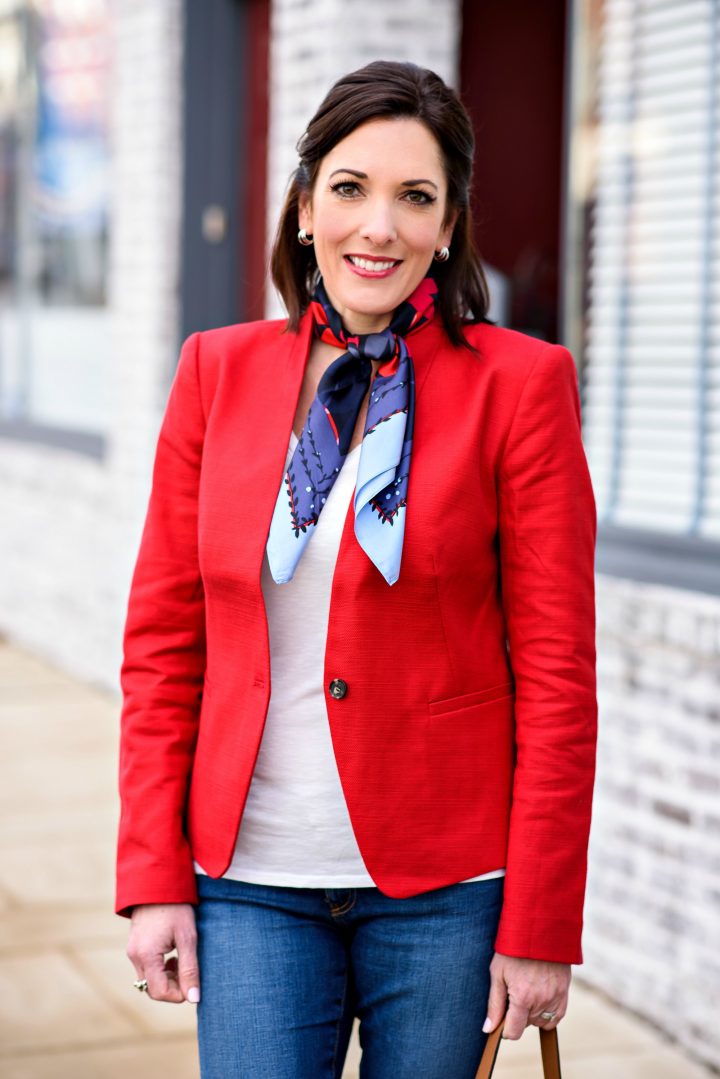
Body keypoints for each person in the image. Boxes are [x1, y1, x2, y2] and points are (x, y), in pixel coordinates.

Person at [117, 59, 598, 1079]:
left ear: (450, 224)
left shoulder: (523, 387)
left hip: (449, 888)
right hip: (249, 873)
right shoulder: (215, 372)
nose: (378, 226)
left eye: (415, 197)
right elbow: (163, 646)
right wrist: (152, 872)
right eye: (349, 188)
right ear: (303, 208)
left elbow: (559, 676)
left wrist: (543, 918)